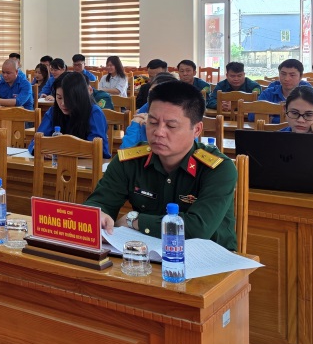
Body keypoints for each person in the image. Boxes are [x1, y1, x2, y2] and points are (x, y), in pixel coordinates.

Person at [84, 81, 237, 250]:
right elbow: (98, 204)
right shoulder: (129, 161)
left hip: (209, 259)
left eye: (171, 126)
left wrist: (134, 220)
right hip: (145, 255)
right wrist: (99, 214)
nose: (158, 132)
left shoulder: (219, 169)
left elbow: (197, 229)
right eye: (153, 122)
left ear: (197, 129)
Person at [28, 72, 111, 159]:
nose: (63, 103)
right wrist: (40, 149)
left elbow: (97, 148)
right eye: (59, 98)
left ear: (80, 96)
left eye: (69, 98)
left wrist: (62, 151)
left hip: (87, 165)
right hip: (56, 164)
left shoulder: (94, 113)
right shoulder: (53, 111)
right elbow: (36, 141)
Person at [121, 72, 178, 149]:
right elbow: (125, 150)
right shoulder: (144, 111)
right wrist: (135, 124)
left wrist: (154, 123)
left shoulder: (182, 116)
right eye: (150, 93)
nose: (151, 97)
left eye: (158, 95)